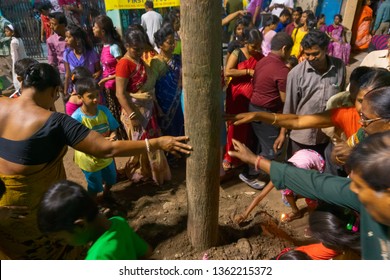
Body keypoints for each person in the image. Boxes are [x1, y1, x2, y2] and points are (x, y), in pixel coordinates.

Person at [0, 63, 192, 259]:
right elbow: (107, 148)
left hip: (5, 222)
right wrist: (157, 143)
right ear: (52, 91)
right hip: (37, 226)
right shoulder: (55, 122)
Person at [228, 127, 390, 259]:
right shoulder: (369, 200)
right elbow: (316, 184)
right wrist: (256, 160)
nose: (352, 187)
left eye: (359, 185)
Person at [37, 180, 153, 260]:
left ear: (80, 226)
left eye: (61, 239)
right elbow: (146, 252)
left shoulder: (97, 258)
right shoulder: (119, 223)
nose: (63, 243)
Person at [115, 27, 171, 185]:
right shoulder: (124, 64)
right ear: (126, 45)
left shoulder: (139, 61)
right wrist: (133, 116)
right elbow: (120, 93)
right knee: (140, 144)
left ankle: (152, 173)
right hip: (134, 110)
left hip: (147, 108)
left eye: (141, 49)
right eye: (135, 49)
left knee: (152, 141)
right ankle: (141, 171)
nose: (139, 52)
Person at [238, 32, 292, 189]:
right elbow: (285, 101)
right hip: (267, 113)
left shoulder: (262, 61)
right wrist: (283, 130)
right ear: (284, 49)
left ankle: (251, 171)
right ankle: (256, 176)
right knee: (272, 148)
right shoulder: (282, 70)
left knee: (259, 143)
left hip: (254, 107)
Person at [283, 30, 346, 158]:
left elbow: (342, 100)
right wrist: (282, 133)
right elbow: (289, 108)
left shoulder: (339, 67)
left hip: (327, 138)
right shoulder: (295, 74)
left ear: (325, 49)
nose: (311, 58)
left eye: (315, 54)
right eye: (307, 54)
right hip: (301, 137)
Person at [234, 148, 325, 224]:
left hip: (317, 160)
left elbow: (311, 192)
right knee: (287, 195)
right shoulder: (278, 175)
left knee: (311, 198)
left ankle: (313, 223)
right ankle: (296, 212)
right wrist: (244, 214)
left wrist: (301, 196)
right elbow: (260, 196)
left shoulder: (302, 173)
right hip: (302, 155)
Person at [71, 77, 119, 201]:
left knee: (111, 178)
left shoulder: (104, 111)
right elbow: (76, 142)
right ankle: (92, 206)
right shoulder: (76, 118)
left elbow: (114, 128)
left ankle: (106, 194)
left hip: (106, 157)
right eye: (91, 96)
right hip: (89, 160)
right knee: (94, 186)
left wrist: (113, 136)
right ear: (80, 97)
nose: (96, 99)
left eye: (97, 95)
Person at [223, 28, 263, 171]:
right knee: (235, 124)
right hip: (237, 94)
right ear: (246, 42)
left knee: (247, 126)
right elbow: (228, 71)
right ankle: (229, 156)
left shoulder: (259, 56)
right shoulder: (237, 53)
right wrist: (247, 71)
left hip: (252, 96)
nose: (256, 49)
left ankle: (243, 156)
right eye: (254, 46)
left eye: (259, 46)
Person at [92, 15, 126, 140]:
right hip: (108, 88)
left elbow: (123, 71)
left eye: (95, 27)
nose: (93, 29)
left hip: (115, 88)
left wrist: (106, 79)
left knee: (118, 114)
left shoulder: (114, 48)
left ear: (103, 31)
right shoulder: (105, 46)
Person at [154, 25, 184, 138]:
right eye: (169, 42)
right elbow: (152, 89)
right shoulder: (156, 63)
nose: (173, 45)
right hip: (163, 106)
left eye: (174, 42)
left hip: (180, 104)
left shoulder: (178, 59)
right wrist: (158, 108)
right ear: (160, 45)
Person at [63, 25, 101, 100]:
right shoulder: (67, 54)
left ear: (77, 39)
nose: (65, 39)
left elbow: (99, 70)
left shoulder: (91, 53)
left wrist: (98, 73)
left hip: (90, 91)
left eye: (68, 37)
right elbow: (67, 74)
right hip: (76, 92)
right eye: (66, 37)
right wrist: (65, 92)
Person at [47, 12, 67, 94]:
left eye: (54, 24)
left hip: (78, 71)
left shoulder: (74, 35)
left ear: (63, 25)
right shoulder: (51, 40)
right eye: (50, 24)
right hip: (63, 73)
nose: (51, 26)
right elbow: (52, 61)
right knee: (67, 98)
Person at [4, 24, 27, 93]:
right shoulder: (19, 39)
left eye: (7, 31)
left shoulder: (13, 42)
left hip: (18, 63)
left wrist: (14, 66)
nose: (6, 33)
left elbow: (15, 56)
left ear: (13, 32)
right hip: (24, 62)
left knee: (18, 79)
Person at [0, 15, 12, 91]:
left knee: (12, 68)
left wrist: (1, 40)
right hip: (1, 51)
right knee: (4, 69)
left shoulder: (4, 22)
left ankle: (19, 84)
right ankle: (13, 83)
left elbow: (11, 34)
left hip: (7, 49)